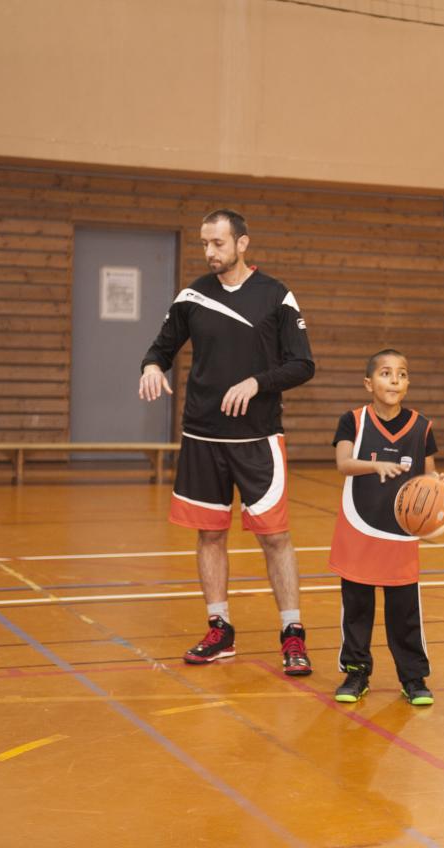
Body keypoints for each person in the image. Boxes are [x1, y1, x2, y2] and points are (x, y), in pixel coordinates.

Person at [139, 209, 316, 672]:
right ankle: (220, 629)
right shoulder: (192, 296)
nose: (210, 252)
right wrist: (152, 366)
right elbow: (161, 346)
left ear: (242, 244)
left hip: (258, 439)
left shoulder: (276, 296)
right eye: (204, 244)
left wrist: (258, 382)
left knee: (276, 538)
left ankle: (292, 634)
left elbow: (302, 364)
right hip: (202, 436)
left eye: (218, 243)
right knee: (210, 534)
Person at [328, 349, 443, 706]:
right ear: (368, 383)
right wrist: (374, 467)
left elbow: (429, 475)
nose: (395, 380)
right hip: (358, 529)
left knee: (405, 612)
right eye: (386, 373)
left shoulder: (422, 426)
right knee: (357, 609)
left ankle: (413, 678)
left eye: (402, 374)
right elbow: (344, 463)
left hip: (400, 533)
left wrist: (440, 488)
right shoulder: (353, 420)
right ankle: (356, 671)